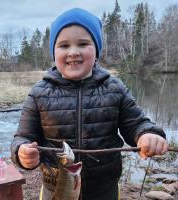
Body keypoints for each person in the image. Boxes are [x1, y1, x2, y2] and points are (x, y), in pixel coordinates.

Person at [11, 8, 168, 200]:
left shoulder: (114, 88)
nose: (73, 51)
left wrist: (147, 134)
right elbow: (23, 137)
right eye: (64, 45)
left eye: (83, 43)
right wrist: (22, 154)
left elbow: (136, 124)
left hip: (104, 191)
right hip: (56, 190)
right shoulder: (38, 93)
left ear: (96, 51)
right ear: (54, 52)